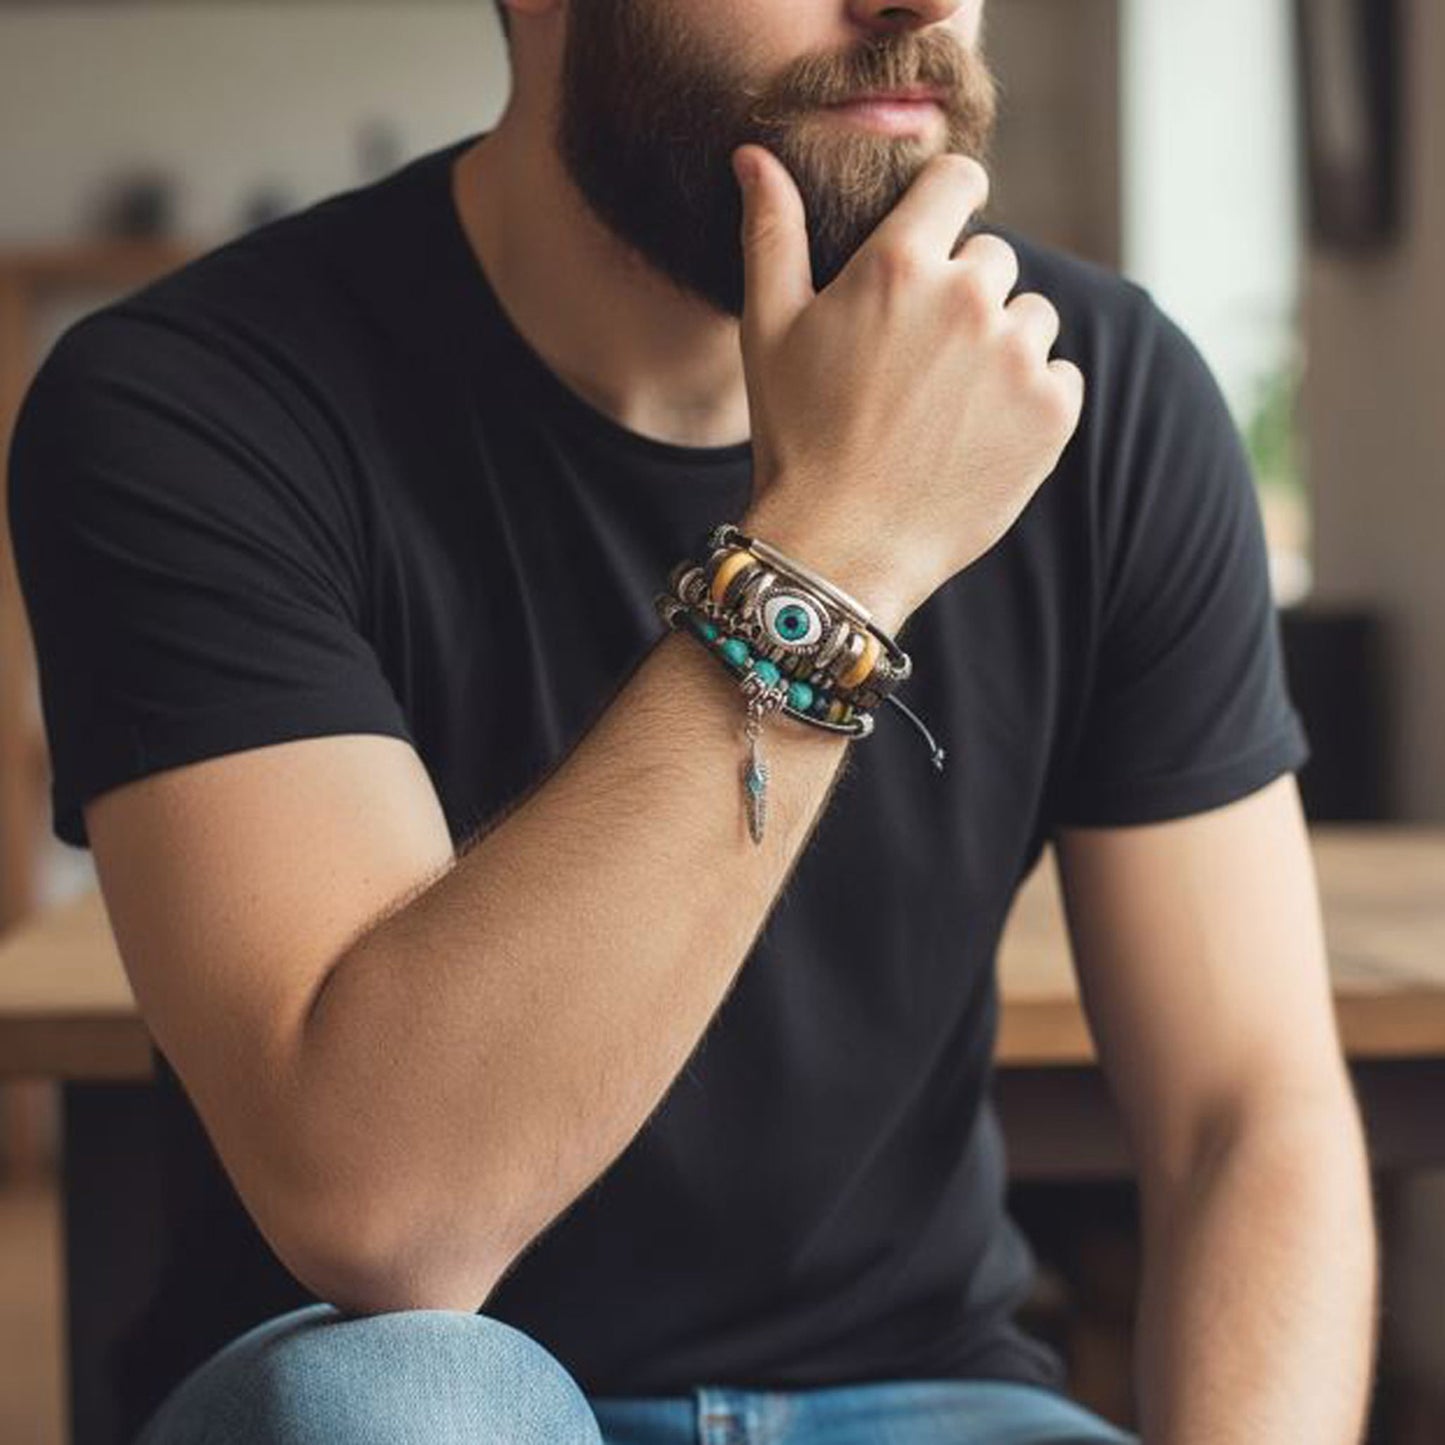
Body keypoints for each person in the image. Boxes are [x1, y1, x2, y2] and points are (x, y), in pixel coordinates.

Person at [6, 1, 1378, 1442]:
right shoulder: (193, 405)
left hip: (934, 1399)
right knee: (403, 1394)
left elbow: (1245, 1116)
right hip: (434, 1396)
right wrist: (842, 549)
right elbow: (388, 1217)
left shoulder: (1087, 387)